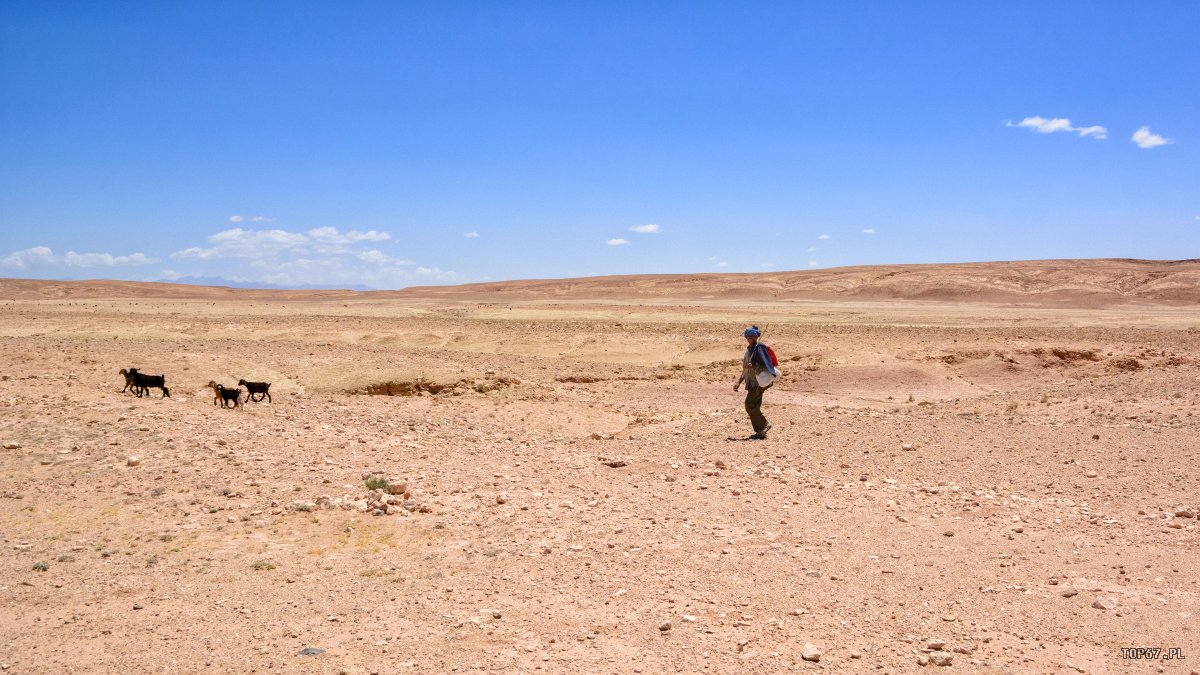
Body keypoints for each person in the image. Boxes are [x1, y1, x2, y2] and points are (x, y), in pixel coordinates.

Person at [733, 325, 779, 439]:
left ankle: (764, 425)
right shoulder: (748, 350)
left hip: (759, 382)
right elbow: (745, 368)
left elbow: (765, 363)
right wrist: (739, 381)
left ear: (756, 336)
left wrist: (754, 366)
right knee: (755, 405)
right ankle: (760, 432)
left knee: (749, 404)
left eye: (752, 336)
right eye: (748, 336)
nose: (750, 338)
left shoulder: (760, 348)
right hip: (752, 383)